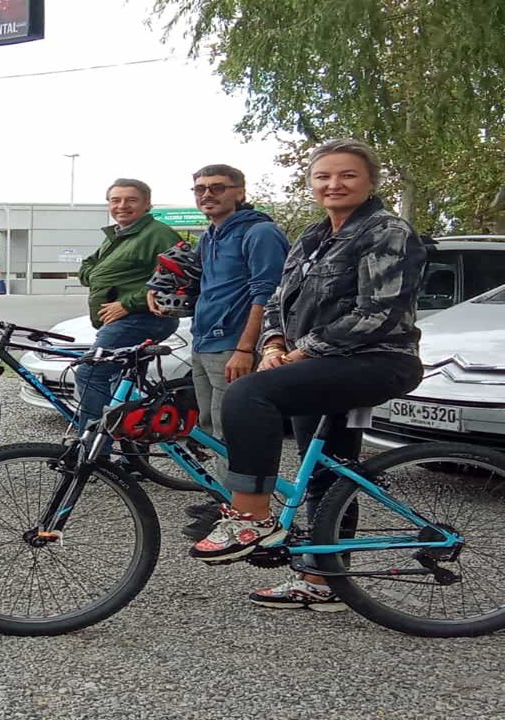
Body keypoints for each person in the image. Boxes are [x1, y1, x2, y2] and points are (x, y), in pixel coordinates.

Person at [189, 139, 426, 611]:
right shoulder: (312, 237)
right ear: (312, 183)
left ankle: (251, 518)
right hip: (319, 361)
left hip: (377, 360)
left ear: (371, 182)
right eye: (323, 176)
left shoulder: (387, 231)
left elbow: (377, 312)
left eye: (347, 175)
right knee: (325, 473)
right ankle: (322, 582)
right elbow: (278, 299)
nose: (333, 184)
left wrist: (299, 353)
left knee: (246, 396)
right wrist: (274, 343)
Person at [152, 165, 288, 541]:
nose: (206, 195)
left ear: (239, 192)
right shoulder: (211, 235)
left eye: (216, 188)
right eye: (199, 189)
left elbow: (268, 294)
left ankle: (251, 514)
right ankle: (229, 501)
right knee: (212, 430)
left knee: (235, 431)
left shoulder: (259, 233)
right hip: (205, 342)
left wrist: (247, 348)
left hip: (233, 346)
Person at [74, 179, 183, 434]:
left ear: (147, 204)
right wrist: (103, 279)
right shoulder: (118, 236)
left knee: (91, 373)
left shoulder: (158, 234)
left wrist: (126, 303)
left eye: (131, 200)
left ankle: (92, 450)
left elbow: (178, 277)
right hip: (120, 321)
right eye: (115, 200)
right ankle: (128, 454)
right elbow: (87, 270)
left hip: (143, 318)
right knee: (117, 384)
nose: (122, 205)